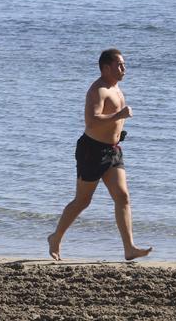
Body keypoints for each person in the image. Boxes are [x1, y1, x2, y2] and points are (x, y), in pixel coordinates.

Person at [48, 49, 153, 261]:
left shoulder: (116, 87)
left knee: (123, 197)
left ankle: (129, 248)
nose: (124, 68)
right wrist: (120, 114)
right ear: (106, 68)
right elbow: (92, 121)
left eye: (124, 64)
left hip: (113, 150)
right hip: (92, 150)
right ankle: (55, 237)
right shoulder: (98, 90)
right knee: (82, 201)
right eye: (119, 65)